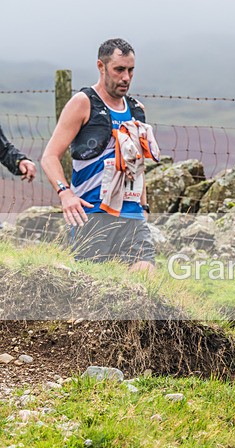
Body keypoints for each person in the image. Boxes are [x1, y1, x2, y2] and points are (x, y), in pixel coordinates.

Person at [41, 38, 154, 273]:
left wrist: (144, 207)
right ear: (101, 67)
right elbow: (50, 156)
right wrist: (65, 194)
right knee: (96, 293)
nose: (126, 77)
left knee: (145, 278)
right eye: (119, 70)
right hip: (91, 215)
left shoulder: (137, 110)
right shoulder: (83, 103)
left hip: (132, 215)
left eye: (131, 70)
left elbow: (138, 164)